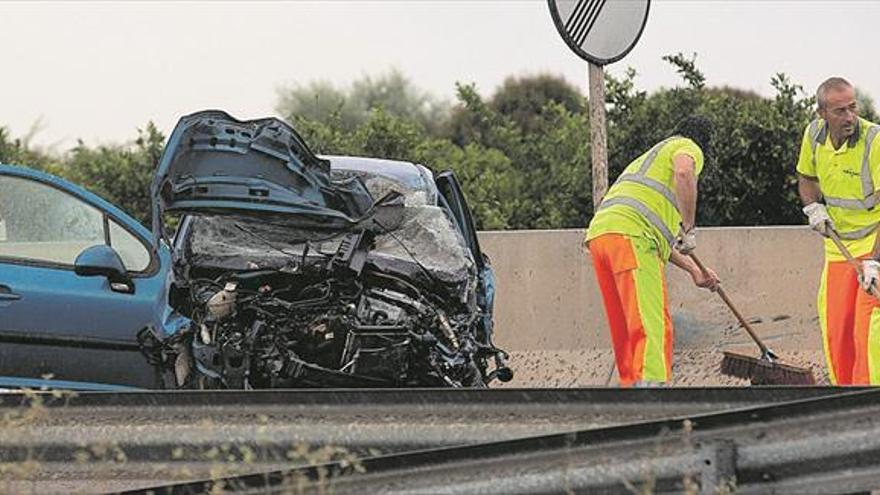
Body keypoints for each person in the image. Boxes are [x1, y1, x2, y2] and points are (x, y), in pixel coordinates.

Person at [585, 115, 721, 387]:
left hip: (602, 237)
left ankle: (632, 391)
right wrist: (690, 226)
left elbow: (660, 241)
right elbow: (684, 172)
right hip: (631, 238)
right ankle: (653, 389)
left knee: (625, 325)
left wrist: (695, 270)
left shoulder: (650, 160)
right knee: (651, 322)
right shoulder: (688, 147)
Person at [797, 77, 880, 385]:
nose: (849, 117)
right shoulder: (814, 134)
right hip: (837, 247)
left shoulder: (874, 140)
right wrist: (812, 208)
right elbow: (806, 178)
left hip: (874, 244)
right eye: (840, 111)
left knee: (868, 332)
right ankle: (842, 399)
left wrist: (875, 261)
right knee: (837, 331)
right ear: (822, 113)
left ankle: (869, 404)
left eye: (853, 108)